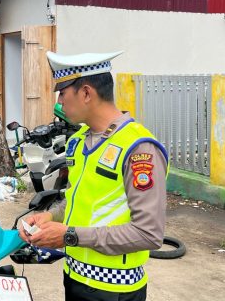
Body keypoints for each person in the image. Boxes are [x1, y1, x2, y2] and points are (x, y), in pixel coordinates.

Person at [18, 51, 168, 301]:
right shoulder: (78, 141)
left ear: (86, 93)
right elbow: (80, 199)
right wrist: (50, 215)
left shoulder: (139, 148)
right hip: (74, 276)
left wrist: (68, 235)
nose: (59, 102)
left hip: (114, 288)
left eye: (63, 93)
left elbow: (148, 233)